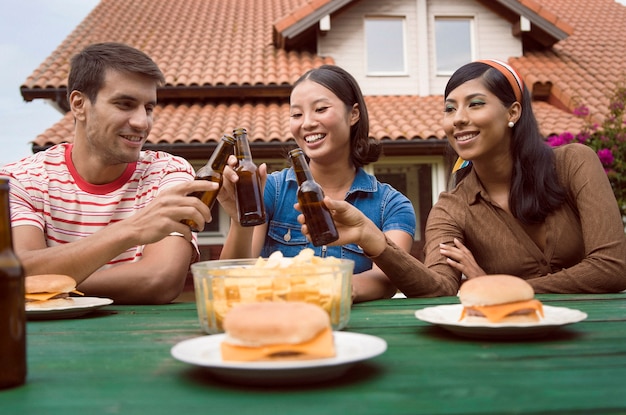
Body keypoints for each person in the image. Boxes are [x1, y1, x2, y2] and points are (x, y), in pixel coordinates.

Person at [297, 60, 626, 296]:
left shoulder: (573, 163)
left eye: (475, 104)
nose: (459, 119)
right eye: (450, 109)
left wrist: (497, 286)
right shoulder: (451, 208)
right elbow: (438, 287)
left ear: (513, 112)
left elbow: (611, 268)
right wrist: (371, 238)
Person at [0, 42, 217, 304]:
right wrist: (131, 230)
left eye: (148, 108)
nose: (141, 122)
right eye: (124, 104)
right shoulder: (21, 179)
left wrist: (47, 283)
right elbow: (17, 271)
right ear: (79, 105)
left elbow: (159, 280)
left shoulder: (167, 173)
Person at [218, 65, 416, 302]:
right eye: (296, 115)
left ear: (353, 114)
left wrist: (326, 287)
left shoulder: (392, 205)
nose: (307, 123)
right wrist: (240, 223)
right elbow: (232, 278)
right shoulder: (271, 190)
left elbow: (387, 280)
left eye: (320, 109)